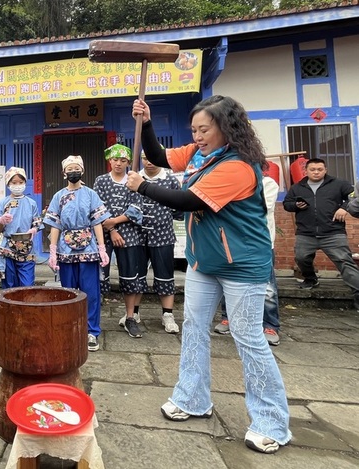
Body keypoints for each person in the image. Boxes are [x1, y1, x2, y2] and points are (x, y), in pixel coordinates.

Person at [126, 96, 291, 453]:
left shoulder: (238, 166)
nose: (197, 136)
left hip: (243, 266)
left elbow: (190, 200)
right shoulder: (201, 154)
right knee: (194, 328)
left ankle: (272, 422)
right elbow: (159, 156)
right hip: (205, 262)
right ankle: (192, 399)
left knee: (248, 338)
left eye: (204, 130)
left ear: (226, 128)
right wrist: (149, 122)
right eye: (194, 130)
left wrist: (142, 187)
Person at [43, 155, 110, 351]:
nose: (73, 171)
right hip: (66, 249)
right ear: (64, 173)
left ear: (82, 171)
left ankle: (91, 331)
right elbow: (55, 225)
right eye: (69, 168)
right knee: (68, 292)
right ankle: (69, 328)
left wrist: (101, 247)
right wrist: (53, 251)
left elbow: (97, 221)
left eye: (76, 168)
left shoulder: (91, 194)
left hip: (88, 248)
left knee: (91, 292)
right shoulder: (58, 196)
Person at [215, 172, 282, 345]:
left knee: (267, 288)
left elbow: (256, 209)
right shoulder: (229, 181)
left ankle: (270, 325)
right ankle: (227, 317)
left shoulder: (267, 184)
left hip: (260, 244)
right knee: (227, 282)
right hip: (232, 243)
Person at [283, 158, 359, 306]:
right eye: (313, 169)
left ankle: (358, 292)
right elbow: (287, 204)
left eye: (320, 169)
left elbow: (353, 197)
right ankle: (311, 279)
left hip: (333, 231)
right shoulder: (297, 187)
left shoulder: (338, 184)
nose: (316, 172)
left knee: (345, 262)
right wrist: (296, 205)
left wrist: (345, 208)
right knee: (301, 258)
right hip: (306, 233)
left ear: (325, 170)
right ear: (306, 171)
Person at [93, 144, 144, 338]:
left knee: (130, 275)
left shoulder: (134, 180)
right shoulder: (101, 181)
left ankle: (130, 317)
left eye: (123, 160)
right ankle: (94, 318)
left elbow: (136, 209)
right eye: (115, 159)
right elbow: (97, 207)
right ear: (109, 160)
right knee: (98, 275)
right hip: (103, 234)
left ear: (128, 162)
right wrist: (112, 229)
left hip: (129, 234)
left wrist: (115, 221)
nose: (118, 164)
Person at [127, 154, 182, 335]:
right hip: (138, 235)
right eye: (144, 158)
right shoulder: (134, 178)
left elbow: (178, 209)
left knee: (165, 274)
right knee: (137, 275)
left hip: (163, 235)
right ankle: (133, 313)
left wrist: (161, 219)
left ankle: (167, 315)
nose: (148, 161)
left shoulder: (170, 180)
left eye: (151, 157)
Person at [0, 167, 42, 288]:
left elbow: (37, 222)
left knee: (27, 285)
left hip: (27, 249)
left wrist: (34, 229)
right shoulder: (2, 203)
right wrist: (1, 221)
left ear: (25, 183)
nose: (17, 185)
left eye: (21, 182)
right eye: (14, 182)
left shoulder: (32, 203)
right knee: (10, 287)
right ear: (8, 184)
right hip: (8, 249)